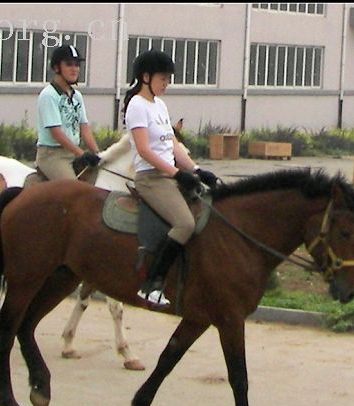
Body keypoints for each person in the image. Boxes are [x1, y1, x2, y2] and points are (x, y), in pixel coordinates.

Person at [123, 50, 218, 306]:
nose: (167, 83)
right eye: (162, 78)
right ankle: (152, 283)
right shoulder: (137, 106)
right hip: (150, 178)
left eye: (168, 79)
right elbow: (144, 150)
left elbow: (173, 145)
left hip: (169, 175)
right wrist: (176, 173)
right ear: (145, 77)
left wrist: (197, 171)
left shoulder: (160, 105)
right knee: (185, 223)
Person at [35, 44, 101, 182]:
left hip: (73, 153)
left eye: (77, 65)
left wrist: (98, 153)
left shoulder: (77, 96)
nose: (75, 69)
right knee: (74, 190)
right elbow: (56, 133)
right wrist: (81, 154)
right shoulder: (49, 95)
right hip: (52, 155)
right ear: (56, 67)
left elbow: (84, 128)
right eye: (69, 64)